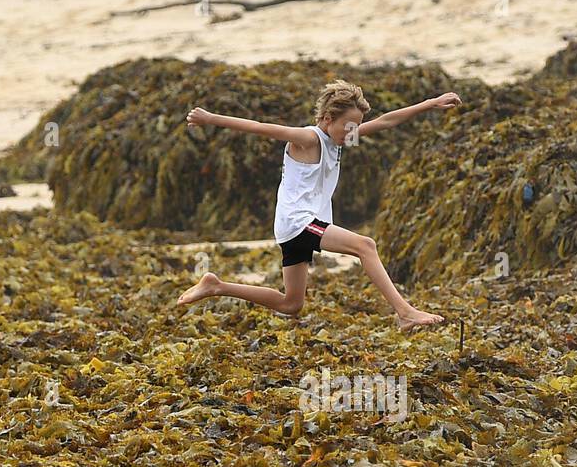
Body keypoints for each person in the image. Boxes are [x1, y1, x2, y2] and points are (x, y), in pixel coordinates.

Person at [177, 79, 459, 329]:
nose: (354, 132)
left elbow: (386, 121)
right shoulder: (309, 138)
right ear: (327, 119)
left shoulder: (338, 140)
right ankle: (405, 312)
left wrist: (431, 103)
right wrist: (210, 118)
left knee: (291, 304)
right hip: (299, 222)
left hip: (294, 226)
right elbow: (260, 128)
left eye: (357, 126)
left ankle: (216, 286)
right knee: (365, 245)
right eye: (349, 126)